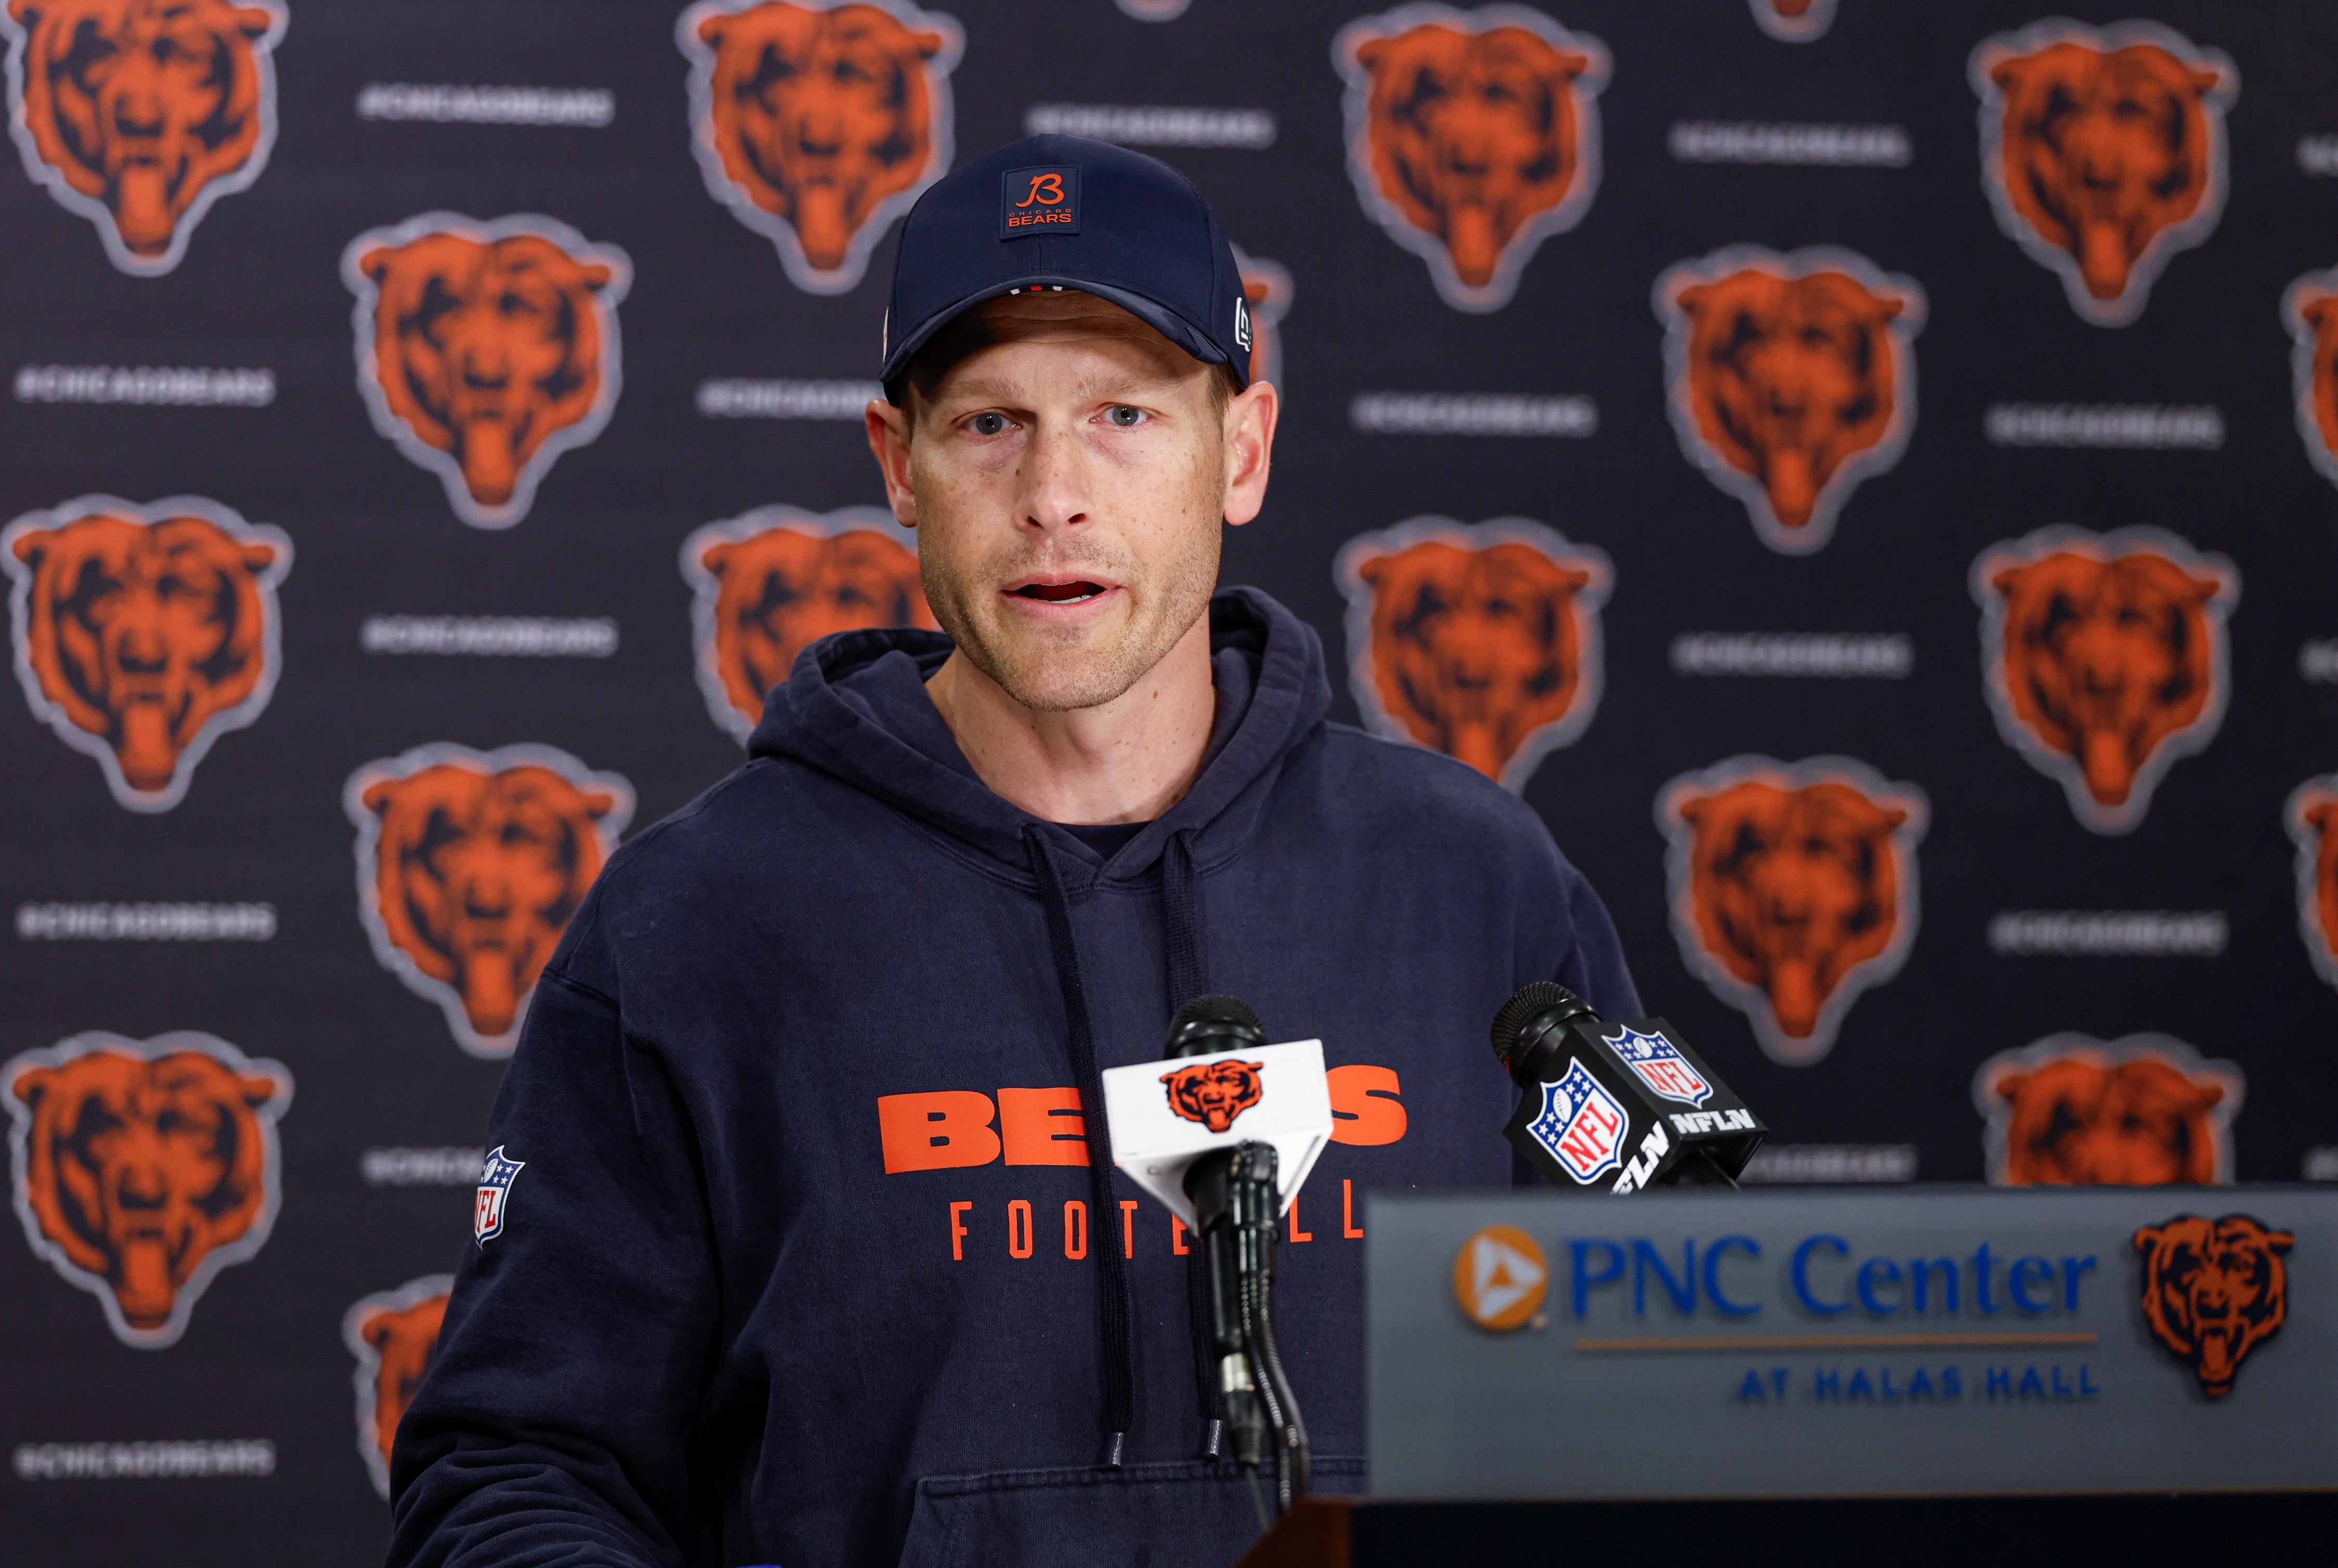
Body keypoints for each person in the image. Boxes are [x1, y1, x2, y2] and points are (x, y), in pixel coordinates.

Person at [387, 134, 1636, 1568]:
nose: (1055, 492)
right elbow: (518, 1473)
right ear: (897, 463)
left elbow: (1649, 1405)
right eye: (988, 423)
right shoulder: (703, 921)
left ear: (1241, 452)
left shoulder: (1470, 884)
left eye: (1123, 414)